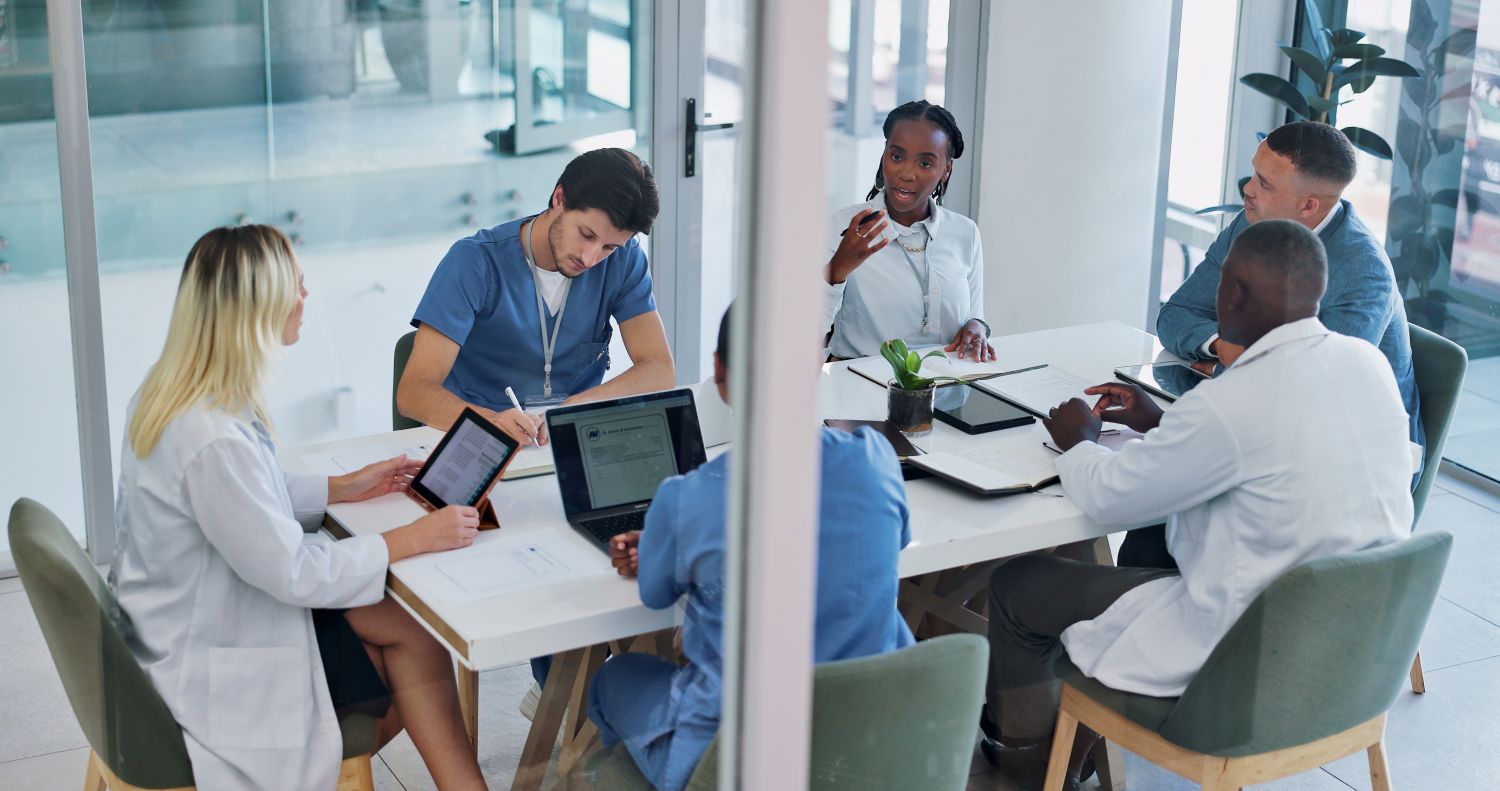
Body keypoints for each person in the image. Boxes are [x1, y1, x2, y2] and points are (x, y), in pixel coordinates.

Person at [981, 220, 1416, 791]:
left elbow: (1110, 499)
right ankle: (1072, 740)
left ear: (1229, 295)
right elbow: (1278, 452)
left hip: (1243, 667)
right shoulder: (1366, 363)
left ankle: (1024, 763)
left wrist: (1079, 440)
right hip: (1353, 659)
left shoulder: (1229, 402)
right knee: (1112, 562)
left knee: (1020, 586)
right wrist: (1166, 423)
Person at [109, 226, 488, 791]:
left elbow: (241, 499)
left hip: (191, 614)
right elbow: (291, 572)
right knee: (402, 661)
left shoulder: (177, 392)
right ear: (260, 306)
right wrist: (414, 538)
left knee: (410, 631)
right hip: (211, 658)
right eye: (298, 286)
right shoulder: (210, 436)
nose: (307, 297)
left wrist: (342, 486)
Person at [585, 306, 916, 791]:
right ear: (816, 367)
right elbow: (898, 540)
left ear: (719, 373)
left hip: (737, 758)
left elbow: (656, 594)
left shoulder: (688, 497)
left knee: (614, 678)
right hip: (866, 740)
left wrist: (667, 539)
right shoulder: (875, 456)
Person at [399, 147, 675, 446]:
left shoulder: (623, 261)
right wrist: (491, 422)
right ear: (560, 198)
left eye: (609, 247)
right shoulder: (474, 262)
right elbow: (414, 392)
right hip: (477, 439)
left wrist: (571, 410)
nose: (591, 257)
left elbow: (659, 369)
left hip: (567, 439)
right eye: (586, 234)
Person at [823, 100, 993, 361]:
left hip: (946, 393)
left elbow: (975, 315)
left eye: (925, 163)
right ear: (884, 156)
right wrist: (835, 273)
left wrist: (977, 327)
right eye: (897, 156)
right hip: (858, 389)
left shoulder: (965, 233)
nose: (906, 173)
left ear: (946, 170)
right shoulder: (845, 225)